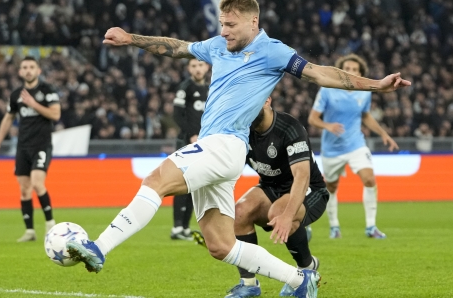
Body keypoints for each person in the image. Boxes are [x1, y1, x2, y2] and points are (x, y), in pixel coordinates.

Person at [66, 1, 410, 297]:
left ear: (252, 22)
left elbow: (321, 74)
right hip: (221, 151)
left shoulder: (273, 51)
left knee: (156, 180)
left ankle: (99, 247)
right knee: (220, 245)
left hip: (225, 143)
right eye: (222, 23)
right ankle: (300, 279)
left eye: (231, 25)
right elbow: (176, 46)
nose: (225, 30)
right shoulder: (218, 45)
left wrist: (376, 85)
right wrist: (131, 39)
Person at [225, 98, 328, 298]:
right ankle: (248, 283)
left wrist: (288, 215)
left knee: (280, 212)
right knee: (239, 212)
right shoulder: (241, 130)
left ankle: (307, 269)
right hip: (271, 187)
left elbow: (302, 176)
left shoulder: (289, 128)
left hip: (310, 189)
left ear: (266, 100)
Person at [308, 54, 399, 239]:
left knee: (369, 179)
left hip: (356, 144)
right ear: (340, 71)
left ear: (360, 73)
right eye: (347, 68)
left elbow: (365, 115)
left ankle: (371, 227)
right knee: (331, 187)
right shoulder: (327, 90)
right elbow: (312, 119)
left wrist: (384, 134)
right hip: (332, 149)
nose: (350, 72)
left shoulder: (364, 92)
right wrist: (328, 126)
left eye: (354, 70)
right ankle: (334, 227)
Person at [0, 56, 61, 242]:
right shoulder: (16, 95)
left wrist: (34, 104)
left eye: (31, 67)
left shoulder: (47, 91)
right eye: (24, 67)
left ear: (38, 71)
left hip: (41, 145)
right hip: (23, 147)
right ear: (20, 72)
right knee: (24, 189)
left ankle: (50, 224)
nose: (28, 70)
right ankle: (30, 231)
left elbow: (55, 114)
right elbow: (8, 118)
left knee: (38, 183)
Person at [171, 58, 210, 240]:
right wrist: (192, 133)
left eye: (200, 65)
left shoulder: (211, 88)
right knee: (181, 183)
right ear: (189, 68)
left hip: (205, 142)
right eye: (194, 66)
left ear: (207, 67)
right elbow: (177, 115)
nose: (197, 69)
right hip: (187, 141)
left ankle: (185, 227)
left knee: (194, 184)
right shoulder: (184, 87)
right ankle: (177, 227)